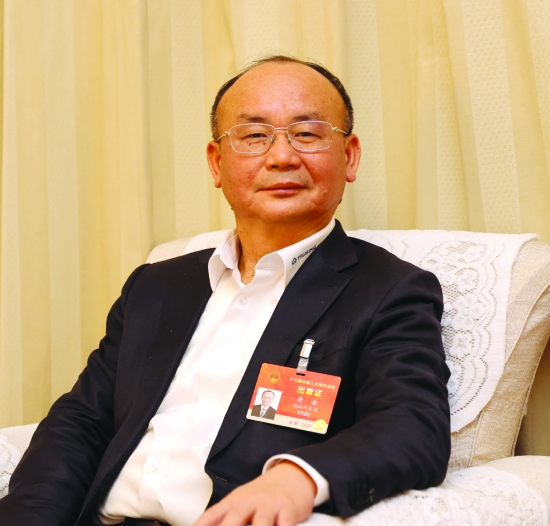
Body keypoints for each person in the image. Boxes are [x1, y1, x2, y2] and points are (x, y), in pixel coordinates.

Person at [0, 55, 450, 526]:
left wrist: (295, 478)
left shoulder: (389, 290)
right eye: (254, 136)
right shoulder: (155, 285)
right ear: (217, 163)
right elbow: (82, 422)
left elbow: (411, 425)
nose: (281, 156)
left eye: (307, 133)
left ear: (349, 156)